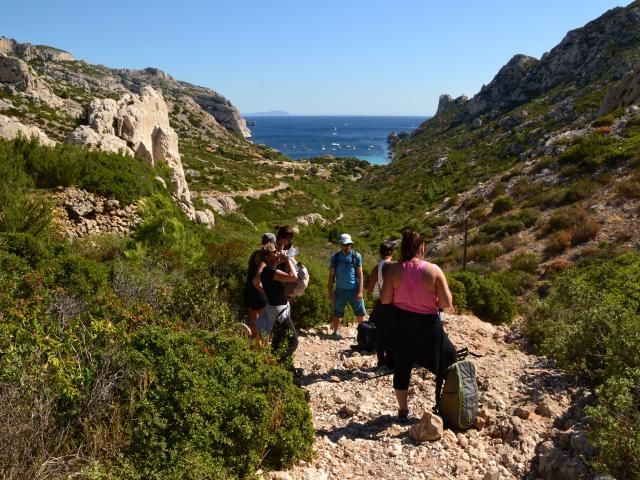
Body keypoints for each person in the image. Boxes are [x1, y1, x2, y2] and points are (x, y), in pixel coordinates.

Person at [380, 228, 456, 420]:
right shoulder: (433, 270)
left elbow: (385, 300)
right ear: (421, 247)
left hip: (400, 325)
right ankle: (447, 403)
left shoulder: (393, 270)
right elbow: (447, 303)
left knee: (402, 366)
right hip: (427, 327)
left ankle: (403, 410)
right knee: (449, 358)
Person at [256, 243, 299, 360]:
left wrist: (267, 292)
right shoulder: (271, 272)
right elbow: (294, 277)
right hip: (280, 312)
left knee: (278, 340)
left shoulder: (266, 271)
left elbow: (255, 282)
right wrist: (287, 259)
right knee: (293, 342)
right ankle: (277, 362)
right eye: (274, 252)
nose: (277, 253)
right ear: (267, 257)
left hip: (273, 309)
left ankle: (274, 364)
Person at [328, 233, 366, 337]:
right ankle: (335, 332)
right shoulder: (335, 257)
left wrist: (360, 291)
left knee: (360, 312)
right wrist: (330, 292)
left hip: (354, 289)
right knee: (337, 312)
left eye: (349, 244)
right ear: (340, 244)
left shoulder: (356, 256)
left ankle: (362, 334)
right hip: (340, 290)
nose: (347, 246)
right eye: (345, 244)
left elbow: (360, 274)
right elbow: (331, 276)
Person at [242, 233, 277, 337]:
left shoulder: (255, 253)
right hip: (259, 291)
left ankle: (255, 342)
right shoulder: (265, 257)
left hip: (249, 289)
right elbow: (260, 276)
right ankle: (260, 343)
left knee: (254, 319)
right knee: (262, 321)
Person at [366, 242, 395, 367]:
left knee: (379, 331)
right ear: (392, 253)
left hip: (382, 302)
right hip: (396, 303)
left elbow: (370, 289)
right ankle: (392, 358)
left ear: (380, 253)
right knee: (394, 331)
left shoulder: (376, 268)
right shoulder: (396, 266)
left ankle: (381, 359)